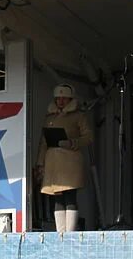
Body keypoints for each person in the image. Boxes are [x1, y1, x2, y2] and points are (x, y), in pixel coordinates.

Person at [34, 84, 93, 233]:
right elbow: (43, 143)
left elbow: (89, 137)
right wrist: (40, 163)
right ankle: (61, 233)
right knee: (57, 198)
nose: (60, 101)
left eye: (64, 98)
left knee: (70, 197)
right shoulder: (49, 118)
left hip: (70, 161)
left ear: (70, 99)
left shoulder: (78, 115)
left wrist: (72, 142)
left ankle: (70, 233)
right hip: (53, 162)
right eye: (58, 98)